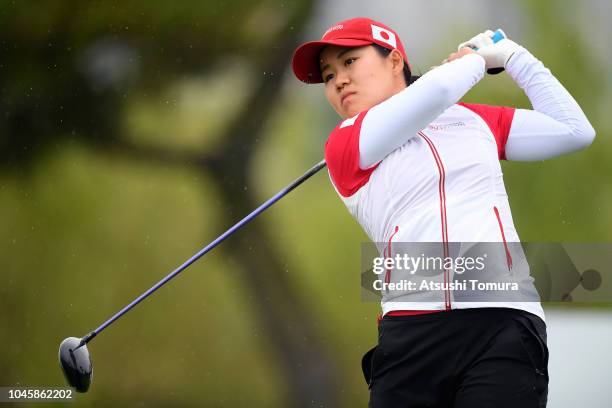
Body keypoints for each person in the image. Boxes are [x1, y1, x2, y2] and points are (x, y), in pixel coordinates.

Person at [291, 17, 595, 407]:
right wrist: (474, 59)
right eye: (328, 74)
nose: (338, 81)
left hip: (502, 324)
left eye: (349, 62)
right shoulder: (346, 142)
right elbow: (440, 88)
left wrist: (513, 56)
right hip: (412, 334)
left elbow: (574, 130)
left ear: (395, 60)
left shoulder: (473, 120)